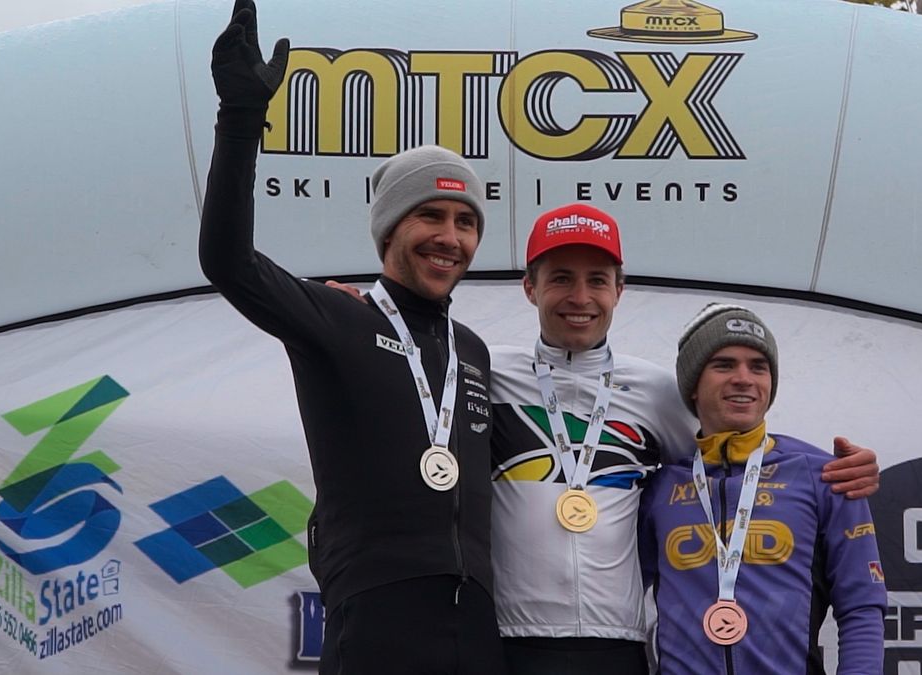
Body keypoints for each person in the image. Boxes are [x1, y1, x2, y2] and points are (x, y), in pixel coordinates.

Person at [198, 1, 505, 672]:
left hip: (481, 627)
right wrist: (241, 119)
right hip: (377, 616)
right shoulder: (338, 319)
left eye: (466, 221)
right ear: (390, 228)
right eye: (430, 215)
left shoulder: (474, 353)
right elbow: (229, 262)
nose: (450, 237)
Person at [484, 206, 881, 674]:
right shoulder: (482, 369)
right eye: (561, 278)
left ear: (619, 289)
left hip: (617, 650)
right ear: (530, 287)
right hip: (508, 639)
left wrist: (836, 468)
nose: (580, 296)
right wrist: (373, 318)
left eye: (597, 280)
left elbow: (729, 452)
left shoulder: (656, 391)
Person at [638, 304, 887, 674]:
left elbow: (862, 606)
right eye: (724, 365)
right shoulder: (660, 486)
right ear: (692, 385)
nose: (744, 378)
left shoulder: (827, 475)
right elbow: (620, 601)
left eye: (758, 366)